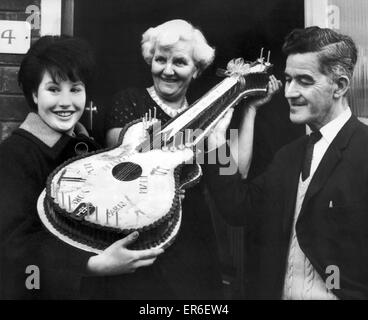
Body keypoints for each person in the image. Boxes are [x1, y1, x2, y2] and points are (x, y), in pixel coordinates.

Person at [105, 19, 281, 299]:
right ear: (150, 60)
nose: (168, 70)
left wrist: (249, 111)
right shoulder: (130, 101)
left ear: (196, 70)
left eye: (180, 62)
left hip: (192, 242)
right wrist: (197, 139)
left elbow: (235, 173)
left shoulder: (208, 115)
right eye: (160, 59)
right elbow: (122, 151)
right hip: (138, 236)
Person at [206, 26, 368, 299]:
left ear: (339, 86)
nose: (289, 92)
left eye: (304, 81)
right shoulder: (287, 157)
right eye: (288, 79)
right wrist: (216, 144)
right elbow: (237, 207)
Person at [0, 35, 163, 300]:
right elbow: (13, 246)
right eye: (53, 89)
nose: (66, 102)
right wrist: (90, 265)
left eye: (75, 89)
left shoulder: (88, 146)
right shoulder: (14, 155)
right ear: (33, 93)